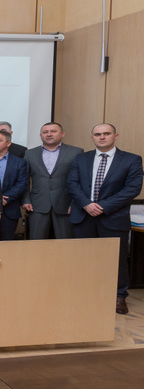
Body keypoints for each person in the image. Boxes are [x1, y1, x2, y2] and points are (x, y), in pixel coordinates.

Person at [67, 123, 143, 315]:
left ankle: (119, 296)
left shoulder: (132, 160)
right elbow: (72, 183)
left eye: (106, 133)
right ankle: (85, 294)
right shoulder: (81, 158)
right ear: (92, 137)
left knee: (117, 259)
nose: (102, 137)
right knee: (84, 258)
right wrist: (87, 204)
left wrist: (102, 206)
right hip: (83, 216)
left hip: (113, 217)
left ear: (115, 136)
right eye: (98, 134)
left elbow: (132, 189)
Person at [22, 122, 83, 239]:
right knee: (36, 242)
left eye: (53, 131)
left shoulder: (76, 152)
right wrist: (26, 200)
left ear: (62, 134)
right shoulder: (30, 153)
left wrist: (75, 203)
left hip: (65, 205)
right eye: (45, 132)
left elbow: (81, 180)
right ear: (41, 135)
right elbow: (24, 179)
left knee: (65, 242)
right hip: (37, 205)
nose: (49, 134)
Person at [0, 130, 28, 240]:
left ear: (8, 143)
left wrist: (6, 198)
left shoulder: (19, 162)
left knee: (6, 243)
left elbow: (22, 183)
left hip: (9, 208)